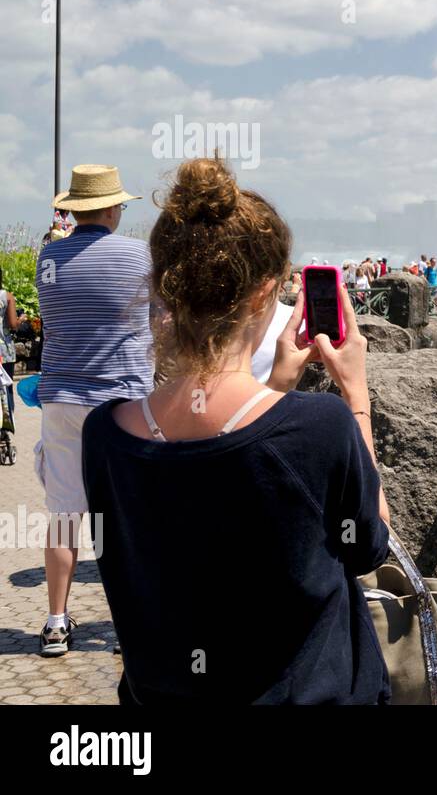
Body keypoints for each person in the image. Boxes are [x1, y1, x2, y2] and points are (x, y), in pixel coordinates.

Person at [83, 157, 391, 704]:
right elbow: (368, 545)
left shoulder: (104, 434)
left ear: (163, 285)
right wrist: (357, 398)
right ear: (262, 294)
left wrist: (276, 384)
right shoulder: (321, 427)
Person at [34, 164, 152, 657]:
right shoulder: (139, 256)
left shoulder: (47, 259)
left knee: (64, 516)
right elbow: (159, 320)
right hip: (121, 398)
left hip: (61, 396)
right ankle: (130, 626)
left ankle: (56, 624)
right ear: (110, 207)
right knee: (129, 516)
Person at [0, 266, 17, 416]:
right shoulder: (7, 296)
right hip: (4, 351)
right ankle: (6, 426)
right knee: (7, 387)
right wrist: (21, 320)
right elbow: (13, 324)